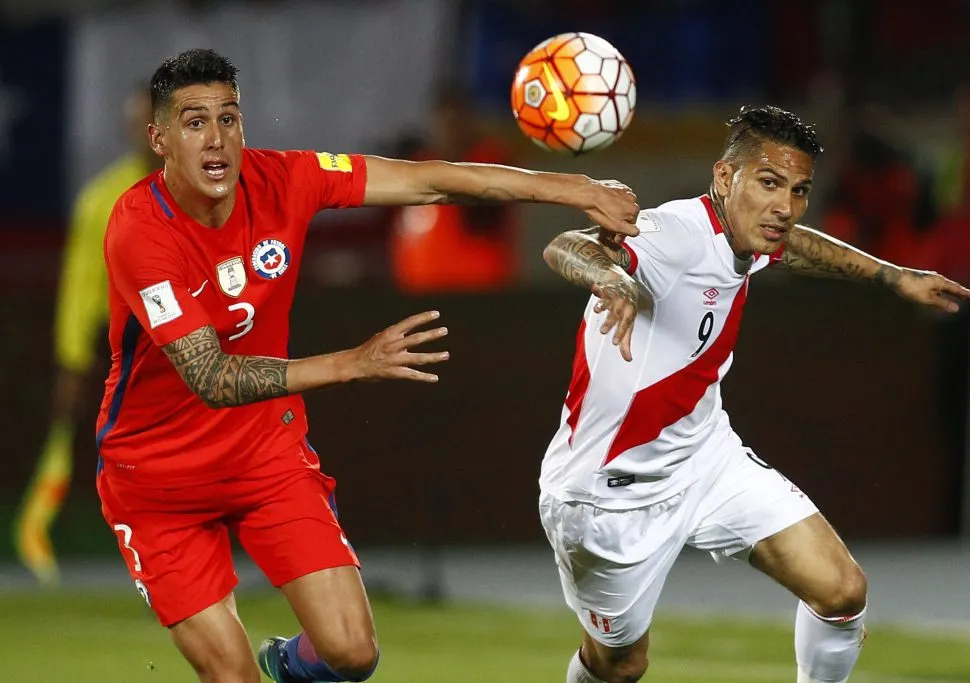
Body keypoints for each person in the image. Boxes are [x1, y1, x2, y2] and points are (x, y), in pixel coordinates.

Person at [97, 48, 638, 683]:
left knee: (352, 653)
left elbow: (427, 180)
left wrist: (570, 190)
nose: (216, 139)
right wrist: (353, 363)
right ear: (159, 138)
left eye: (229, 118)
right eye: (194, 123)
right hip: (158, 478)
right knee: (230, 677)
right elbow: (212, 378)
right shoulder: (139, 231)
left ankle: (287, 666)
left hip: (262, 455)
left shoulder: (284, 180)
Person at [538, 105, 970, 683]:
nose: (785, 208)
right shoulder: (672, 234)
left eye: (799, 190)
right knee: (619, 666)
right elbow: (566, 243)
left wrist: (891, 276)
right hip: (609, 492)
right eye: (769, 184)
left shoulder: (749, 234)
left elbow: (791, 246)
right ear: (724, 177)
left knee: (841, 590)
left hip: (704, 457)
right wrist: (609, 277)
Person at [13, 84, 160, 585]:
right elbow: (82, 285)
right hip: (124, 351)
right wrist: (73, 359)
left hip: (195, 350)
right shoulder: (103, 198)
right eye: (140, 120)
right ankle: (133, 559)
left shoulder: (201, 189)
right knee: (129, 460)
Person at [389, 81, 520, 293]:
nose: (449, 126)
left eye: (457, 117)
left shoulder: (489, 163)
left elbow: (482, 214)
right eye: (443, 118)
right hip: (419, 293)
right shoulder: (420, 164)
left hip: (476, 294)